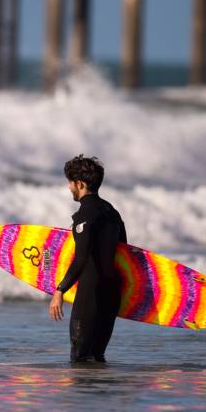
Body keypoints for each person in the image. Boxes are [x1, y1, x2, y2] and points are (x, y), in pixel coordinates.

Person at [49, 155, 127, 363]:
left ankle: (83, 396)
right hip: (111, 294)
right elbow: (124, 254)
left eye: (70, 182)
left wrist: (60, 290)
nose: (69, 187)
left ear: (80, 184)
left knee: (80, 358)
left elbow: (81, 258)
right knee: (97, 357)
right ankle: (99, 394)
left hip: (90, 294)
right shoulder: (112, 213)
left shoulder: (85, 215)